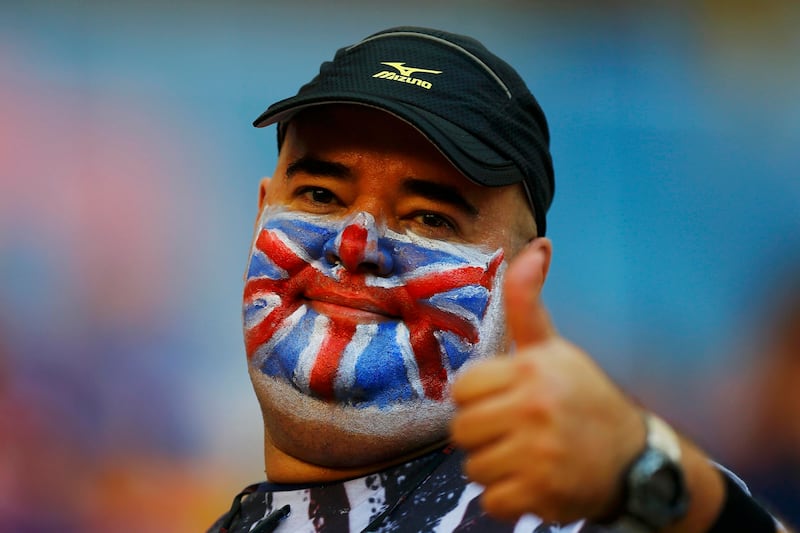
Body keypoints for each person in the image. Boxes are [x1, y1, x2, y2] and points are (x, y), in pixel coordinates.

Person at [208, 26, 786, 532]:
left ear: (524, 278)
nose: (356, 245)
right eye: (320, 194)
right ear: (261, 214)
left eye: (430, 218)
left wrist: (650, 475)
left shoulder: (564, 516)